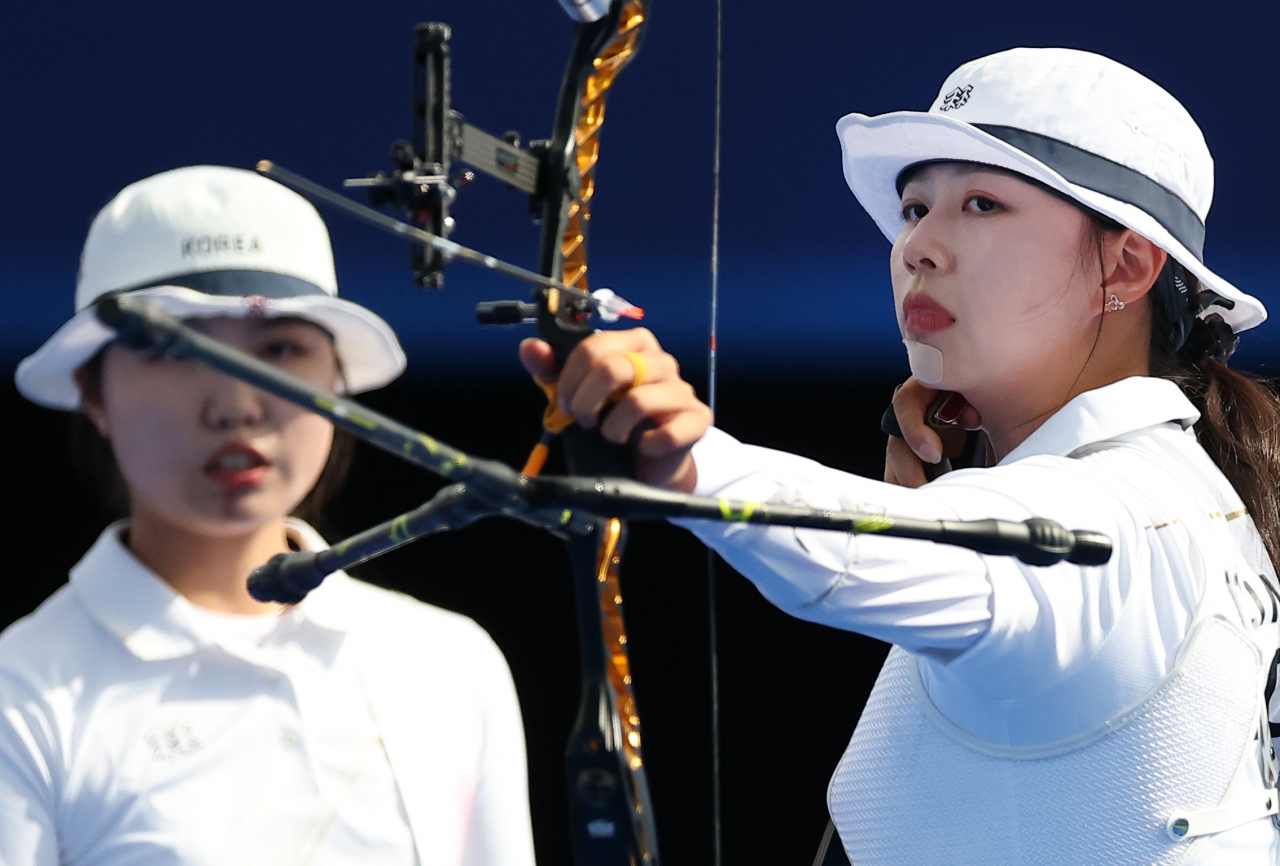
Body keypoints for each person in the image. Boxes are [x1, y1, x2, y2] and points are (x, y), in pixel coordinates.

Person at [519, 48, 1280, 864]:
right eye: (916, 207)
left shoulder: (1117, 512)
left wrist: (692, 462)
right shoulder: (1191, 490)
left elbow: (869, 552)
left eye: (983, 203)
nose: (920, 245)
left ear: (1125, 264)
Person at [0, 165, 537, 865]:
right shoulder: (22, 690)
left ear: (336, 382)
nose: (236, 405)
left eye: (280, 350)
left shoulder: (449, 662)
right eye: (176, 349)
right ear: (93, 391)